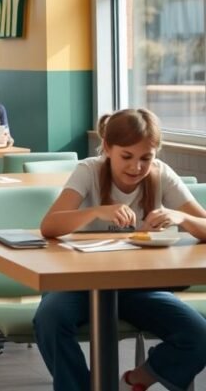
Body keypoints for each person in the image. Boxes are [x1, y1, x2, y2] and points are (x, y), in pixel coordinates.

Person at [35, 109, 206, 391]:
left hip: (139, 285)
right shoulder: (89, 170)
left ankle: (136, 380)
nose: (136, 167)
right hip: (78, 283)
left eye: (146, 158)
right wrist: (96, 212)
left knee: (199, 335)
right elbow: (49, 226)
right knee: (49, 320)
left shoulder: (162, 175)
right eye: (127, 156)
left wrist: (182, 218)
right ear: (107, 148)